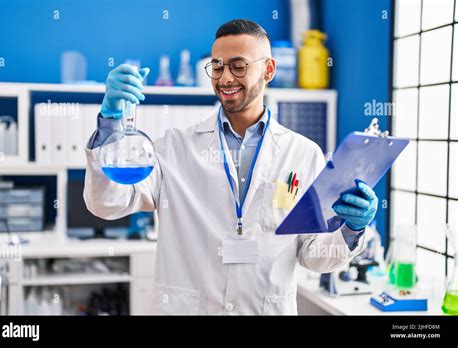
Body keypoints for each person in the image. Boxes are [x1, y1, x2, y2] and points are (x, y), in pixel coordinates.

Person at [84, 19, 378, 315]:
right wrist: (110, 122)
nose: (225, 78)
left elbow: (314, 254)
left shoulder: (303, 154)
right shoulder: (174, 148)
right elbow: (107, 202)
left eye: (238, 66)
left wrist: (352, 228)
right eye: (217, 66)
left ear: (269, 70)